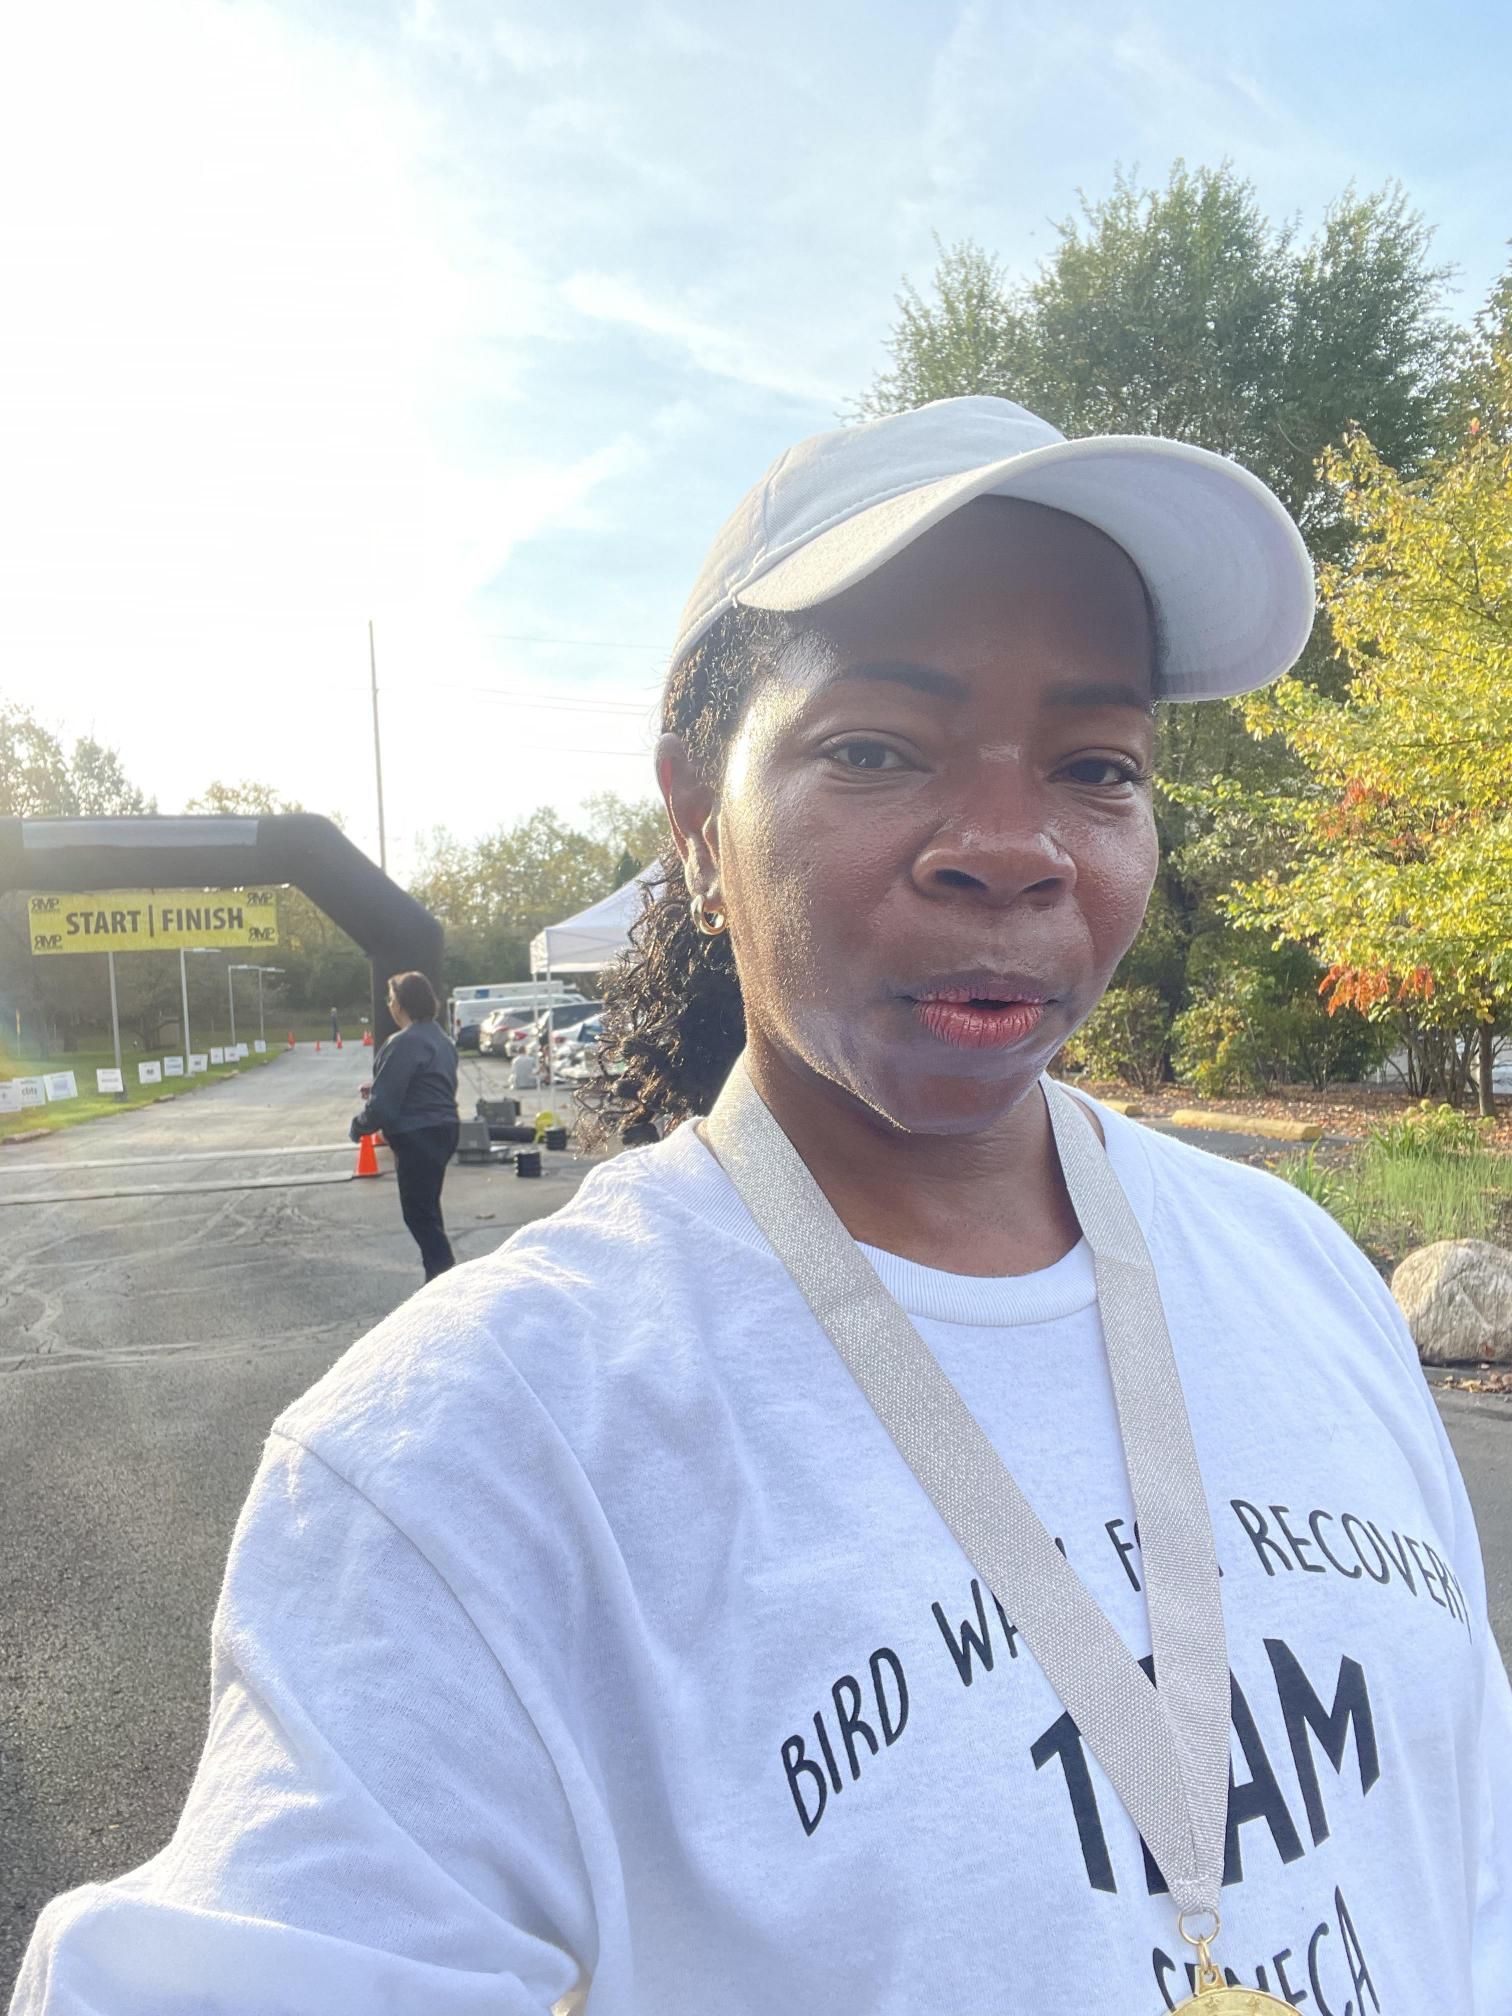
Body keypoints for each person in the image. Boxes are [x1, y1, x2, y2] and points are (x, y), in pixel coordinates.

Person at [13, 396, 1512, 2014]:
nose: (1009, 849)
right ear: (693, 822)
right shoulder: (477, 1457)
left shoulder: (1298, 1274)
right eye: (874, 747)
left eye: (1094, 765)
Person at [350, 970, 460, 1282]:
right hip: (445, 1128)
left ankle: (444, 1283)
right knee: (428, 1208)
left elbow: (384, 1106)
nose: (389, 1005)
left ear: (401, 1004)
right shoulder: (441, 1039)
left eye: (391, 999)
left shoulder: (402, 1042)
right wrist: (379, 1087)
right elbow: (430, 1085)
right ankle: (438, 1278)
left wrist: (360, 1126)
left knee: (418, 1215)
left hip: (417, 1134)